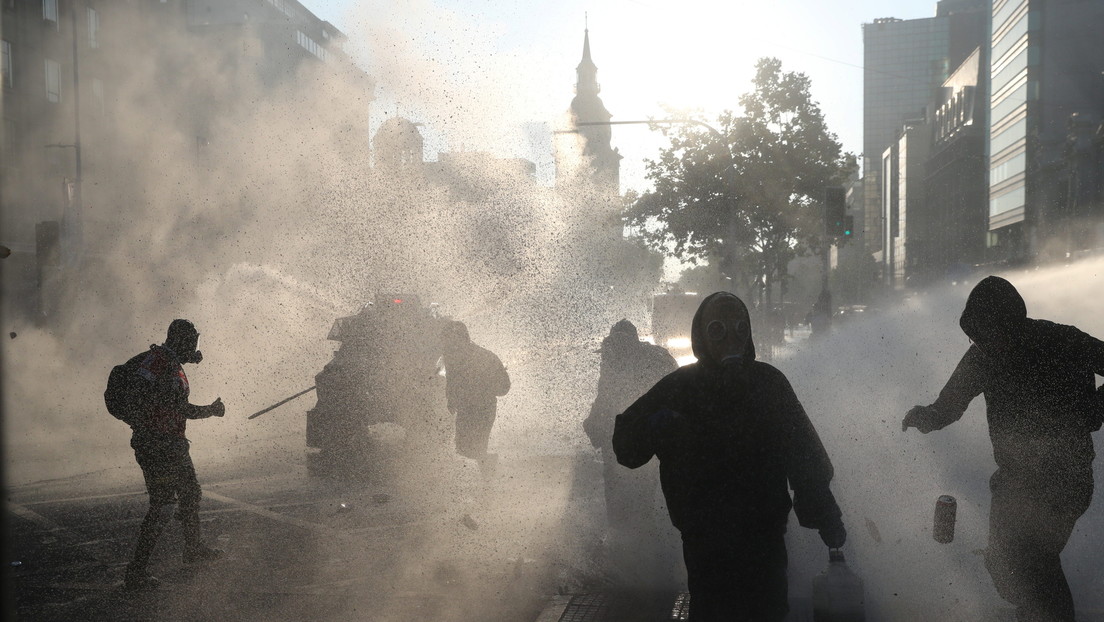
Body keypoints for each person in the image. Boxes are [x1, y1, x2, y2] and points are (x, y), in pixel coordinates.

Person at [613, 292, 847, 621]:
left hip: (763, 538)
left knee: (767, 611)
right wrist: (652, 427)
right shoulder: (680, 388)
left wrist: (826, 514)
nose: (731, 340)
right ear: (701, 336)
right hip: (706, 542)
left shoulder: (769, 384)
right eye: (718, 330)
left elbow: (803, 453)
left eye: (740, 328)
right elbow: (627, 446)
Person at [902, 276, 1104, 622]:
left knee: (1036, 560)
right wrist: (926, 417)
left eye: (984, 333)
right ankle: (1031, 611)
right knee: (1004, 566)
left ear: (1010, 323)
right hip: (1015, 480)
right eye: (973, 336)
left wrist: (1095, 409)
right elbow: (950, 405)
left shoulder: (1063, 341)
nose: (979, 343)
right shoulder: (982, 356)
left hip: (1065, 478)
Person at [123, 319, 226, 591]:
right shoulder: (163, 365)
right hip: (159, 445)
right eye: (192, 343)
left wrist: (187, 359)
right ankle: (136, 571)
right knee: (163, 506)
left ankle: (193, 549)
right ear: (181, 341)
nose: (195, 348)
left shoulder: (161, 361)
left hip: (169, 443)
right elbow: (182, 409)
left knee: (190, 493)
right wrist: (211, 410)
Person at [583, 319, 678, 587]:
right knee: (640, 495)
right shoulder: (654, 355)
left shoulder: (617, 356)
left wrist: (593, 424)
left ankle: (629, 561)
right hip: (642, 438)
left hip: (625, 437)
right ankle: (642, 556)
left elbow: (606, 398)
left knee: (619, 497)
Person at [441, 320, 510, 472]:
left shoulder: (485, 357)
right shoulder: (452, 357)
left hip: (483, 409)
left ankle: (487, 481)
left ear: (463, 338)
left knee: (476, 447)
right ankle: (487, 470)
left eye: (451, 339)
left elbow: (504, 387)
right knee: (464, 448)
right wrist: (451, 400)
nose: (448, 344)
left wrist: (483, 390)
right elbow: (452, 381)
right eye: (447, 340)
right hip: (467, 409)